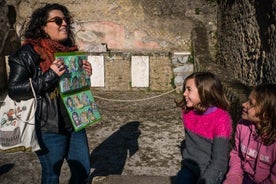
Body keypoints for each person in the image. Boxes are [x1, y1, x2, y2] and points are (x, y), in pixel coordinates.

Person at [8, 3, 92, 184]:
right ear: (43, 27)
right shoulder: (27, 53)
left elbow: (71, 88)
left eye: (66, 20)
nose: (64, 24)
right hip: (48, 127)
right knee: (52, 175)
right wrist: (50, 76)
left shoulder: (69, 51)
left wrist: (83, 75)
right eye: (58, 20)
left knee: (82, 172)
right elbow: (14, 90)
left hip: (75, 122)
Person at [174, 71, 232, 184]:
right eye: (185, 89)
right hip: (189, 167)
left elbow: (219, 161)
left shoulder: (221, 119)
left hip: (211, 170)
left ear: (204, 91)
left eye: (189, 89)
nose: (184, 94)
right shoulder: (187, 112)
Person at [223, 84, 276, 184]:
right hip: (244, 177)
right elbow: (236, 154)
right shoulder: (242, 125)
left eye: (250, 103)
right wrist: (234, 177)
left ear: (266, 113)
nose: (244, 104)